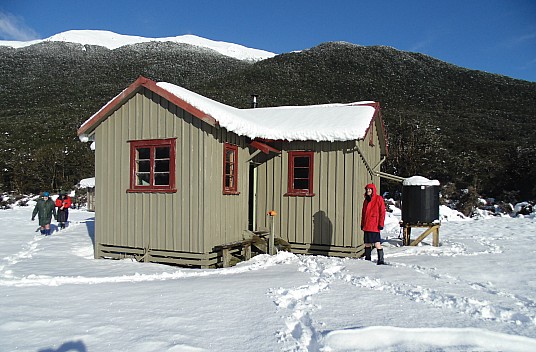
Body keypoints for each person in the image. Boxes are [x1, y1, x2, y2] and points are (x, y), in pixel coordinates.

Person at [361, 183, 386, 265]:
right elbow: (363, 213)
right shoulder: (366, 200)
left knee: (377, 243)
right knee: (367, 243)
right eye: (367, 189)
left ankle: (381, 260)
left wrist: (381, 224)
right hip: (367, 225)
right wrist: (362, 224)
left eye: (370, 189)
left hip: (374, 225)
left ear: (373, 190)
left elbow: (382, 212)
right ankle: (367, 258)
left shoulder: (379, 199)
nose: (368, 190)